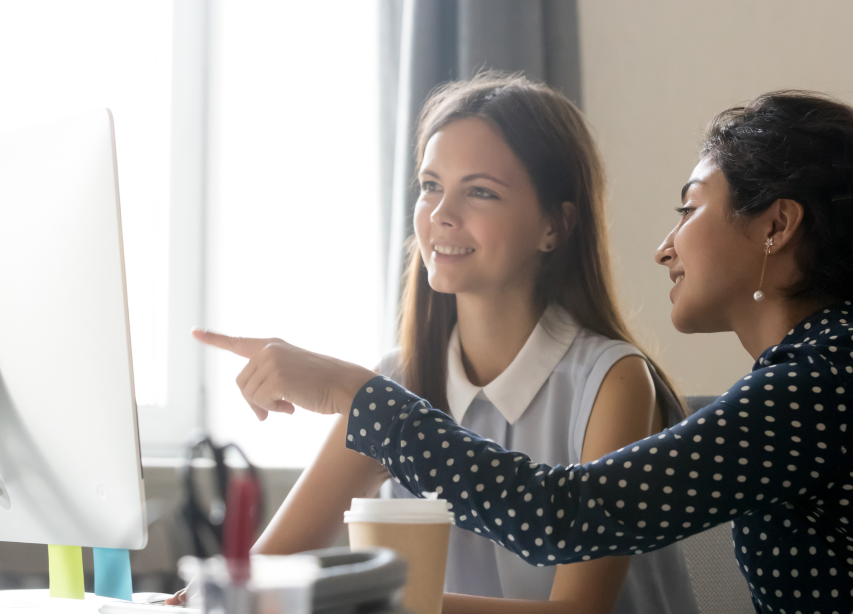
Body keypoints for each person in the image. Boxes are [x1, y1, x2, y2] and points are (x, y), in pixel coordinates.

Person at [195, 91, 853, 613]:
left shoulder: (832, 382)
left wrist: (352, 394)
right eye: (431, 185)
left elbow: (565, 515)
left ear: (776, 226)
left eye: (691, 209)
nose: (665, 246)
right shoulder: (820, 375)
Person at [184, 74, 698, 614]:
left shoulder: (612, 381)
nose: (440, 214)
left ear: (554, 224)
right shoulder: (399, 382)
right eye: (431, 186)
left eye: (480, 191)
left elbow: (577, 611)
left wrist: (378, 600)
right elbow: (266, 567)